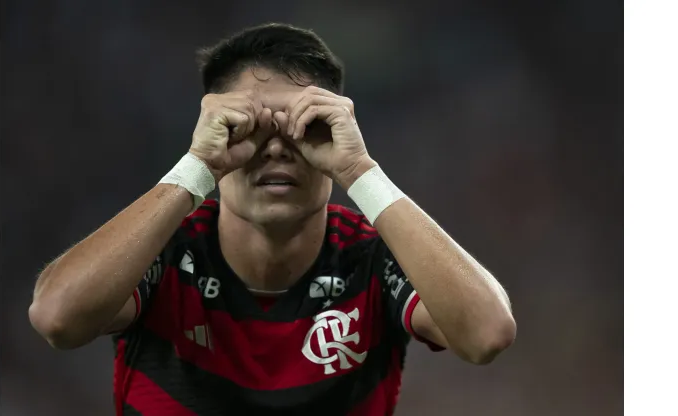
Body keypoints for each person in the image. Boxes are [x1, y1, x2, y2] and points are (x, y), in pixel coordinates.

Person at [29, 23, 516, 416]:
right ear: (214, 133)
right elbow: (57, 319)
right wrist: (196, 168)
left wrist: (360, 171)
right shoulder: (162, 249)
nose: (279, 147)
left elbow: (487, 334)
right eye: (252, 127)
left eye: (308, 127)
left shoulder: (372, 257)